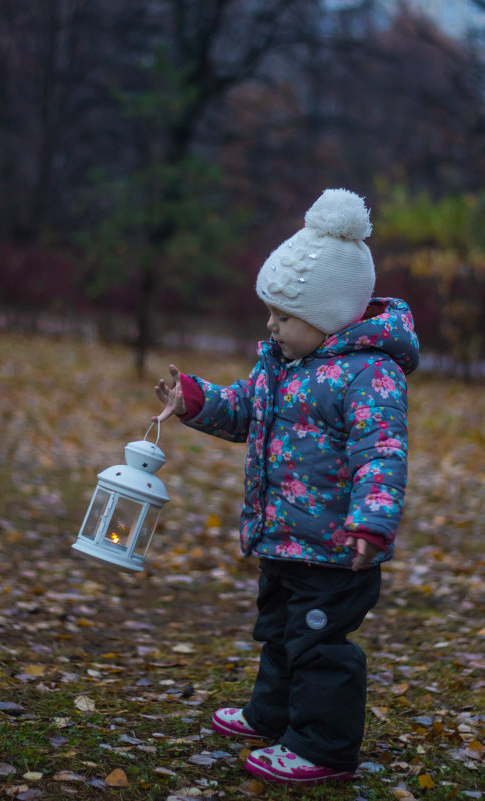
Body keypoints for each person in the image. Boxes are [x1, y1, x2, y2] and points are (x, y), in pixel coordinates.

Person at [152, 189, 420, 786]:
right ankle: (271, 715)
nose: (270, 326)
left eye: (283, 315)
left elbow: (381, 450)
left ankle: (323, 748)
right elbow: (246, 410)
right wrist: (196, 399)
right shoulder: (281, 364)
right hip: (283, 540)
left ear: (327, 317)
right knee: (279, 633)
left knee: (319, 647)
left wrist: (372, 522)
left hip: (332, 547)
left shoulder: (367, 373)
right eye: (269, 313)